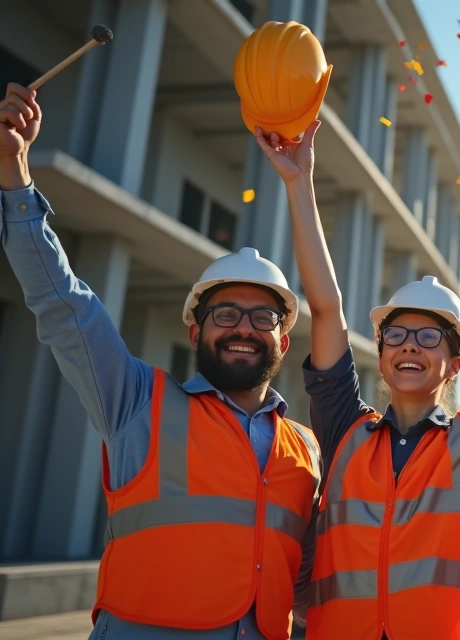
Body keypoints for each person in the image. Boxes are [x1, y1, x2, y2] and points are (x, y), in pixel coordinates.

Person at [251, 115, 460, 639]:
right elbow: (325, 308)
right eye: (396, 334)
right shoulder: (344, 429)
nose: (410, 344)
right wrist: (299, 182)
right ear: (382, 352)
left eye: (430, 336)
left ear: (456, 363)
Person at [0, 83, 321, 640]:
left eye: (263, 318)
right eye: (225, 314)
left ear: (284, 342)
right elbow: (63, 305)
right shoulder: (135, 402)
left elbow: (310, 579)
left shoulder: (307, 448)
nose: (243, 329)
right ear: (195, 330)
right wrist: (14, 174)